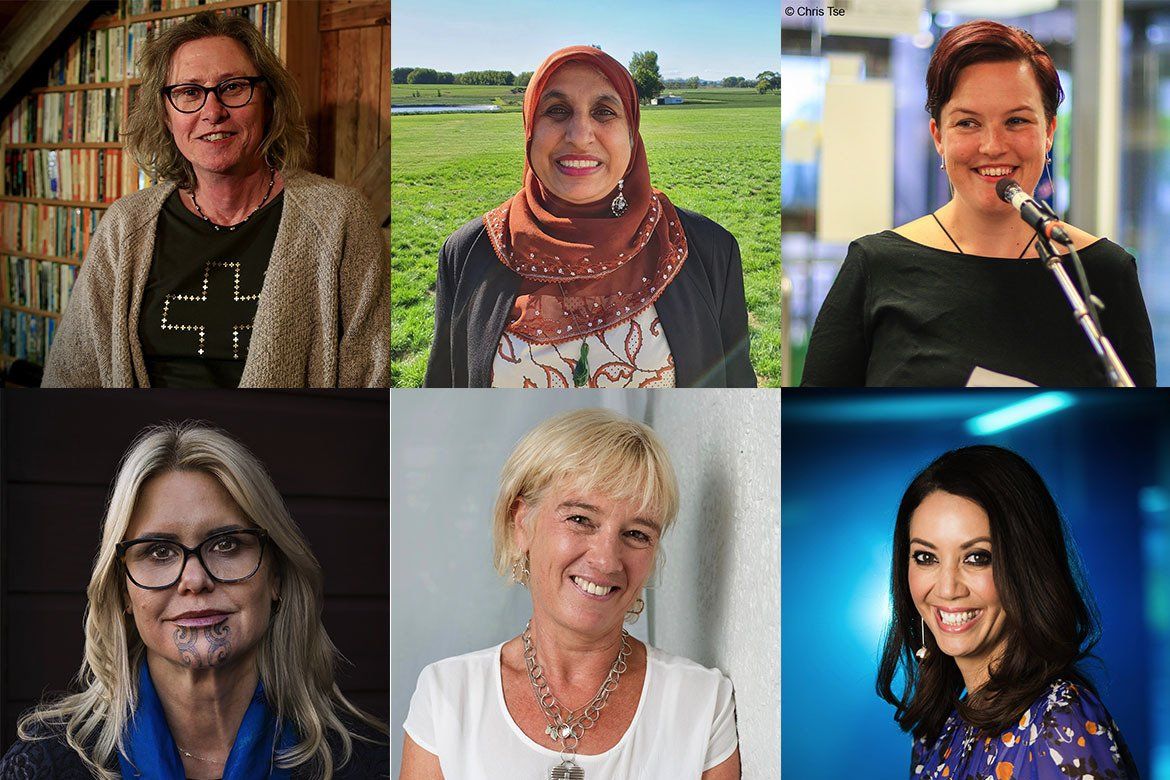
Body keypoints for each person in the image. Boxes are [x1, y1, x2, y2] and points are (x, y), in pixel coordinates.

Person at [0, 422, 389, 778]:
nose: (195, 580)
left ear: (276, 576)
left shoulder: (367, 764)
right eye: (158, 552)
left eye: (226, 544)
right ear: (123, 590)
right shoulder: (45, 765)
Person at [42, 12, 389, 388]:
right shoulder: (126, 226)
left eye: (234, 87)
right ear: (165, 114)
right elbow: (70, 376)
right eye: (189, 92)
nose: (212, 112)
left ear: (268, 99)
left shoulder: (339, 218)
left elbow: (372, 377)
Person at [802, 20, 1155, 387]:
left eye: (1016, 121)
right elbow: (814, 430)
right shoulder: (875, 265)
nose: (992, 146)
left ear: (1048, 132)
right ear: (939, 136)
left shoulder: (1104, 273)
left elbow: (1138, 432)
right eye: (968, 123)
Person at [400, 409, 740, 778]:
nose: (608, 560)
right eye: (580, 520)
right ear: (522, 524)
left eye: (637, 534)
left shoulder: (703, 705)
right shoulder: (447, 696)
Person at [423, 46, 755, 388]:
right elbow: (442, 393)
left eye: (604, 112)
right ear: (529, 130)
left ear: (632, 134)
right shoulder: (468, 253)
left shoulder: (708, 249)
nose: (580, 135)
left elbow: (735, 391)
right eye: (556, 110)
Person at [877, 445, 1139, 778]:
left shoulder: (1059, 722)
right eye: (926, 558)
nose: (946, 589)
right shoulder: (937, 732)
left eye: (977, 557)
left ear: (1026, 567)